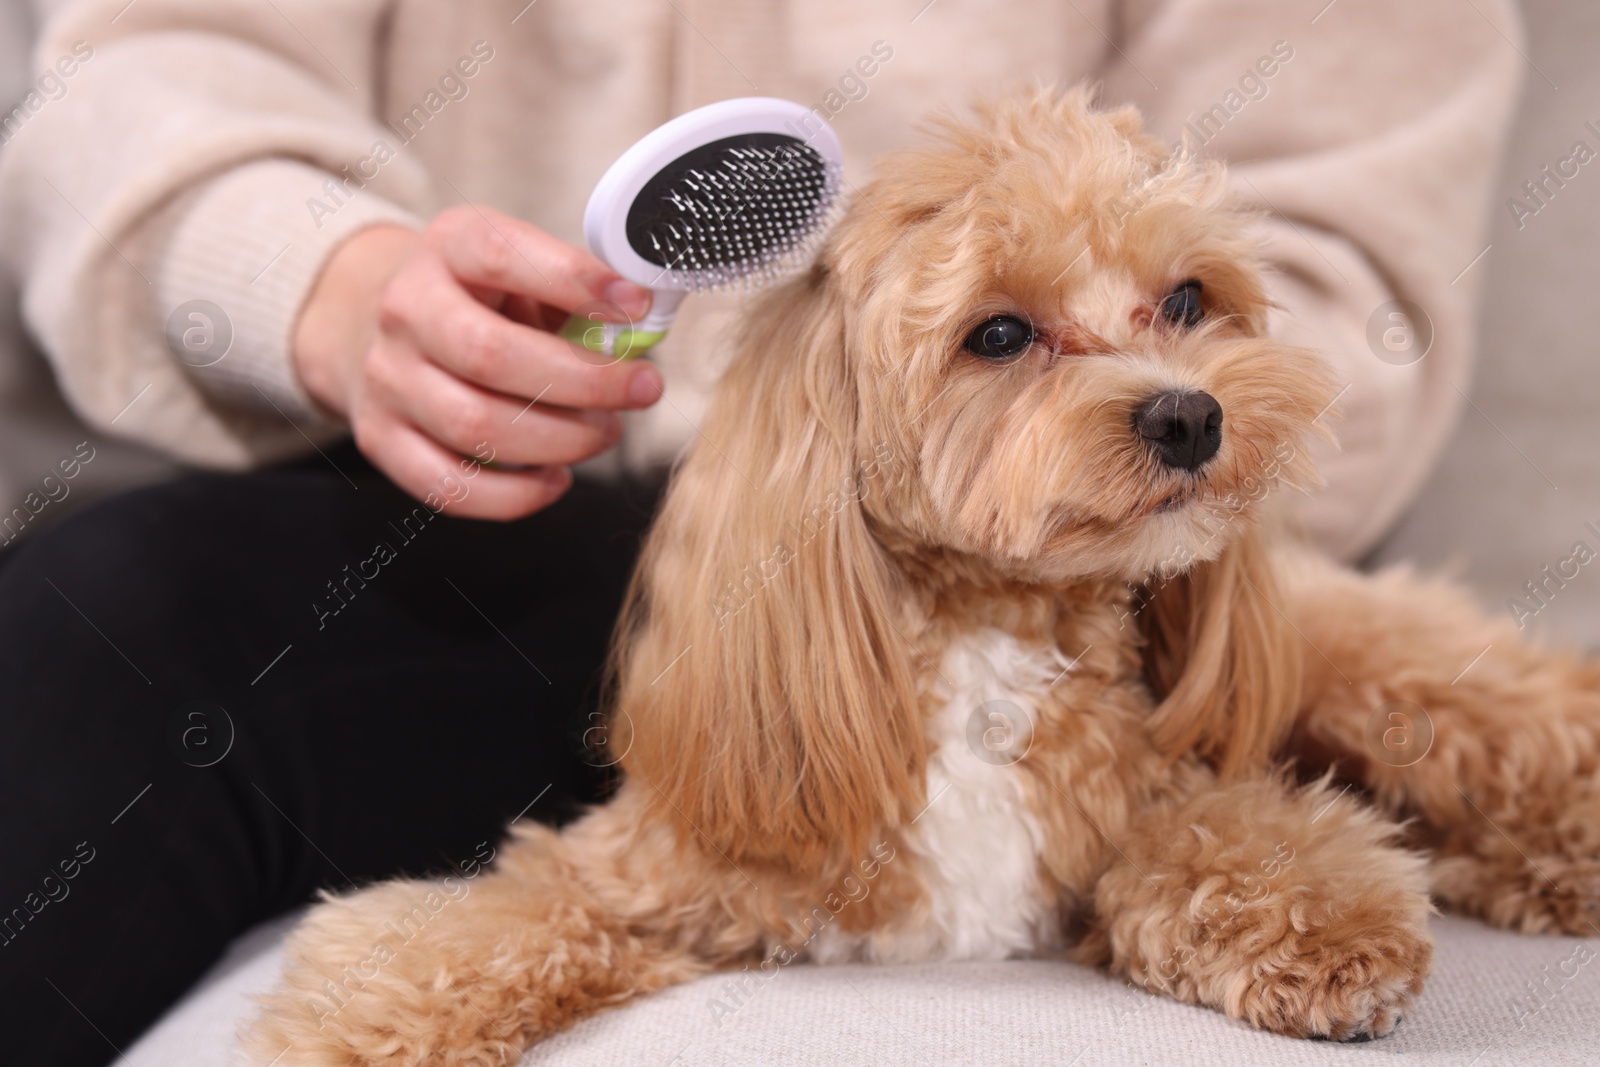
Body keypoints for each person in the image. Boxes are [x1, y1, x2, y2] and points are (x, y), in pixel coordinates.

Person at [0, 1, 1523, 1063]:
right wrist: (323, 283)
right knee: (114, 611)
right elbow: (142, 79)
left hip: (1111, 565)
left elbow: (1333, 287)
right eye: (1010, 333)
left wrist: (1098, 423)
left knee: (1362, 677)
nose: (1160, 359)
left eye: (1180, 309)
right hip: (483, 512)